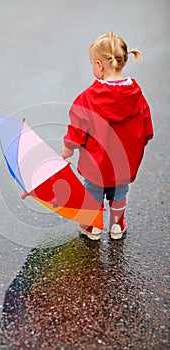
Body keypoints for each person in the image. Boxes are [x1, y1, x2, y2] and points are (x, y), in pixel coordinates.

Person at [62, 31, 153, 240]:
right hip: (124, 161)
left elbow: (77, 126)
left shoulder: (88, 97)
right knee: (120, 193)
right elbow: (147, 126)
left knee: (93, 192)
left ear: (99, 65)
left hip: (96, 162)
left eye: (92, 63)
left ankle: (92, 226)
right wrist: (138, 143)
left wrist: (68, 148)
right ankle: (116, 225)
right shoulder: (136, 95)